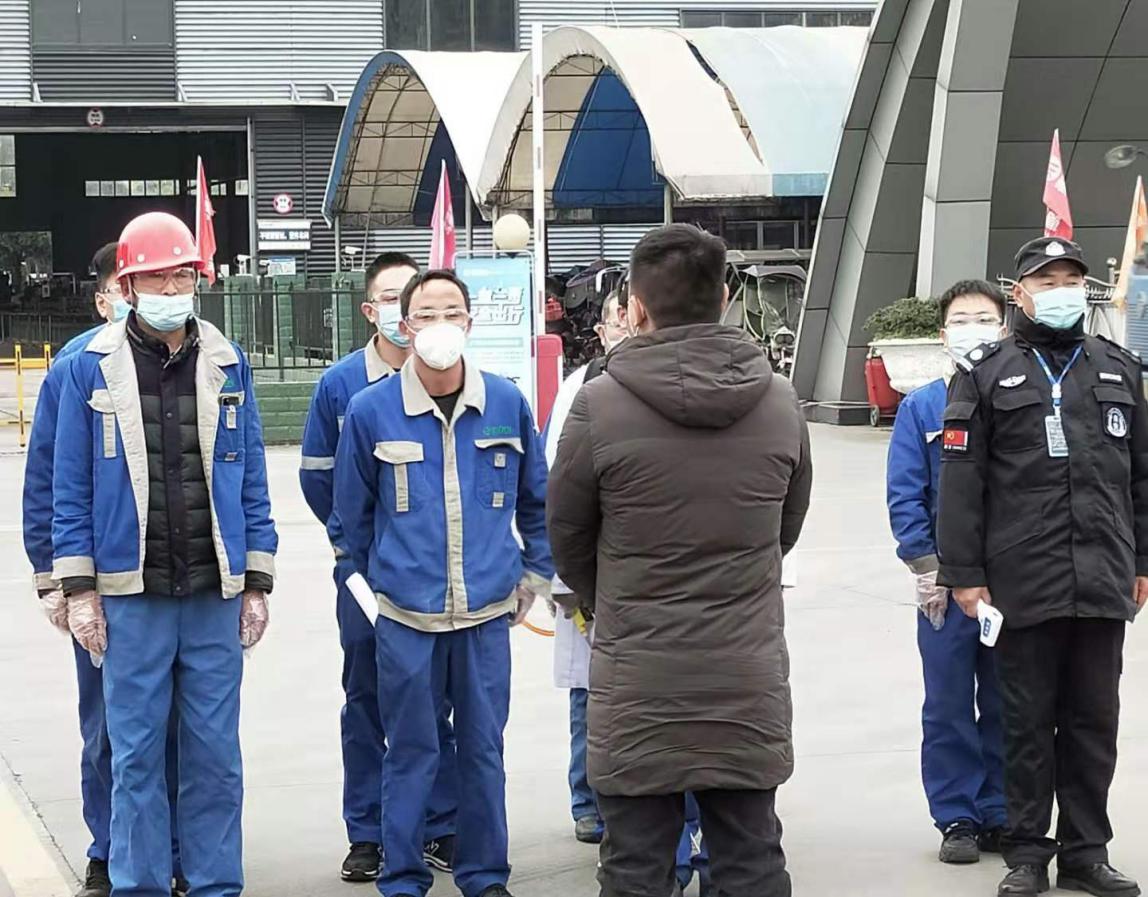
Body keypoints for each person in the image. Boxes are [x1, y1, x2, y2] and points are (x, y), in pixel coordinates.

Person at [547, 224, 812, 897]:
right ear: (724, 297)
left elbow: (568, 537)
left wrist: (614, 596)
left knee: (635, 866)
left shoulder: (599, 403)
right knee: (751, 859)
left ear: (636, 307)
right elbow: (785, 527)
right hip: (744, 672)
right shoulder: (779, 400)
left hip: (638, 674)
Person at [52, 211, 279, 897]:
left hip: (213, 596)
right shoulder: (86, 369)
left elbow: (251, 478)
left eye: (182, 275)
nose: (172, 288)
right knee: (136, 759)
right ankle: (140, 885)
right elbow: (70, 489)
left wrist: (257, 579)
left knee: (215, 758)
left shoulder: (227, 362)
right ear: (126, 286)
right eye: (156, 278)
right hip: (132, 599)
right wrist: (79, 591)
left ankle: (214, 884)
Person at [938, 237, 1147, 897]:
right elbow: (961, 484)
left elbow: (1141, 477)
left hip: (1103, 575)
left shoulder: (1117, 368)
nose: (1062, 291)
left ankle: (1086, 852)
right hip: (1021, 579)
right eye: (1046, 280)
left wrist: (1142, 559)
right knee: (1027, 725)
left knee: (1094, 724)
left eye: (1071, 280)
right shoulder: (985, 372)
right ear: (1019, 293)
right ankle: (1027, 852)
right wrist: (964, 573)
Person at [333, 270, 552, 897]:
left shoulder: (505, 403)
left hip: (485, 618)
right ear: (405, 327)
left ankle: (485, 876)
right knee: (410, 752)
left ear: (470, 323)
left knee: (483, 752)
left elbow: (537, 502)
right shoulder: (371, 411)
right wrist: (373, 594)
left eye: (451, 312)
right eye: (426, 314)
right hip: (406, 621)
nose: (440, 325)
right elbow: (350, 521)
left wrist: (533, 575)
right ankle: (403, 877)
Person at [22, 243, 184, 897]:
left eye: (168, 276)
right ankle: (108, 847)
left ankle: (172, 847)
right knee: (108, 726)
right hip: (103, 583)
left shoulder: (194, 359)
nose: (154, 292)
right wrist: (54, 577)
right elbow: (47, 478)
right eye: (133, 283)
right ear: (107, 297)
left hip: (176, 580)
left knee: (179, 724)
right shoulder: (75, 367)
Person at [299, 252, 459, 882]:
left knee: (435, 700)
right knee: (365, 696)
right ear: (372, 311)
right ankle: (367, 831)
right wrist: (357, 547)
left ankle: (441, 823)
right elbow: (320, 480)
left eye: (409, 297)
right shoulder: (341, 386)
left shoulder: (458, 379)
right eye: (389, 299)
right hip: (366, 577)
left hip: (440, 577)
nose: (402, 311)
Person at [887, 280, 1009, 865]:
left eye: (984, 319)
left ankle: (1000, 810)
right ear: (943, 334)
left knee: (1009, 701)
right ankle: (957, 815)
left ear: (1004, 328)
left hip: (1011, 581)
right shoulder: (922, 407)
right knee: (948, 703)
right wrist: (926, 568)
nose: (972, 330)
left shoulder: (1021, 400)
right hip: (945, 585)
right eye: (961, 320)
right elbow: (905, 494)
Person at [543, 291, 626, 846]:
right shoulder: (582, 388)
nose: (627, 325)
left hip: (648, 578)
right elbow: (557, 487)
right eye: (617, 317)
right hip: (593, 574)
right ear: (601, 330)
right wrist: (566, 578)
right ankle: (588, 799)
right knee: (589, 694)